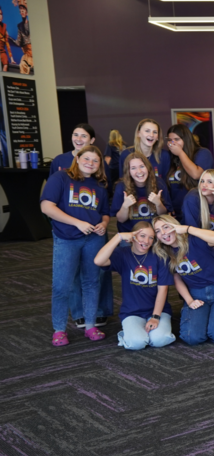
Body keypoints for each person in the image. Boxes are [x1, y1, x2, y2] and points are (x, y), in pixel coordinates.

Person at [40, 145, 110, 346]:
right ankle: (59, 330)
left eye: (95, 161)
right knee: (62, 285)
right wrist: (77, 222)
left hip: (93, 239)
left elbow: (104, 212)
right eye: (86, 158)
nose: (90, 163)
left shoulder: (99, 185)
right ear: (77, 159)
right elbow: (46, 207)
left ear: (99, 166)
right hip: (67, 238)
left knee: (91, 282)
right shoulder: (60, 178)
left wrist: (104, 224)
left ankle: (90, 325)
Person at [153, 215, 214, 345]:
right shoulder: (164, 252)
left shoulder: (193, 240)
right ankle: (210, 316)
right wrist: (189, 300)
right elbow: (177, 279)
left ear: (175, 226)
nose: (163, 233)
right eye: (158, 231)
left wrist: (187, 229)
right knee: (191, 337)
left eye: (166, 227)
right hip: (196, 294)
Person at [93, 222, 176, 350]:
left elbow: (163, 290)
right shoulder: (123, 254)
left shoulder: (160, 256)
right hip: (132, 311)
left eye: (151, 237)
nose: (146, 241)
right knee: (137, 343)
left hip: (158, 310)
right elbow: (98, 260)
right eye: (142, 236)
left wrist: (155, 317)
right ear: (133, 237)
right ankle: (131, 334)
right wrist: (118, 237)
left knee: (160, 340)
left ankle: (148, 332)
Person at [112, 151, 171, 233]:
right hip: (130, 234)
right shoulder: (121, 186)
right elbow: (120, 220)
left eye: (142, 166)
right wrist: (125, 206)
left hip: (154, 234)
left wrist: (158, 203)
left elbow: (163, 215)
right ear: (128, 172)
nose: (139, 171)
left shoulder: (159, 183)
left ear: (148, 167)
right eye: (133, 168)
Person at [180, 169, 214, 254]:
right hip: (194, 242)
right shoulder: (192, 198)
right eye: (202, 181)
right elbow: (192, 232)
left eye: (209, 182)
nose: (204, 185)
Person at [165, 124, 214, 216]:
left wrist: (180, 153)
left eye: (177, 139)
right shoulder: (169, 157)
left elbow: (196, 174)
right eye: (170, 140)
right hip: (175, 212)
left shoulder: (203, 153)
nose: (173, 143)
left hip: (196, 209)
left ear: (186, 139)